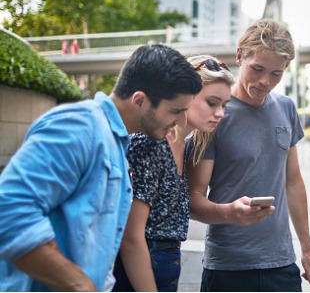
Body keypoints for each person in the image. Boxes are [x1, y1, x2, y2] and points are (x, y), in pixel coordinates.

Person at [0, 43, 202, 291]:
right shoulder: (79, 127)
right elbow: (9, 213)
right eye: (175, 111)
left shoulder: (116, 141)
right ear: (140, 100)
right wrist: (81, 285)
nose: (180, 121)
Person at [188, 19, 310, 292]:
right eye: (257, 69)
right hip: (228, 268)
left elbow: (293, 181)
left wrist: (307, 249)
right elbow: (193, 199)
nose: (265, 82)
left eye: (276, 73)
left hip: (281, 265)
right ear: (240, 56)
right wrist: (230, 213)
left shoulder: (286, 108)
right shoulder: (215, 115)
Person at [112, 55, 234, 292]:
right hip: (139, 270)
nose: (220, 113)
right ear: (186, 95)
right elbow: (131, 238)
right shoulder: (150, 142)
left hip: (166, 264)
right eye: (212, 102)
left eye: (224, 105)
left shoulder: (186, 146)